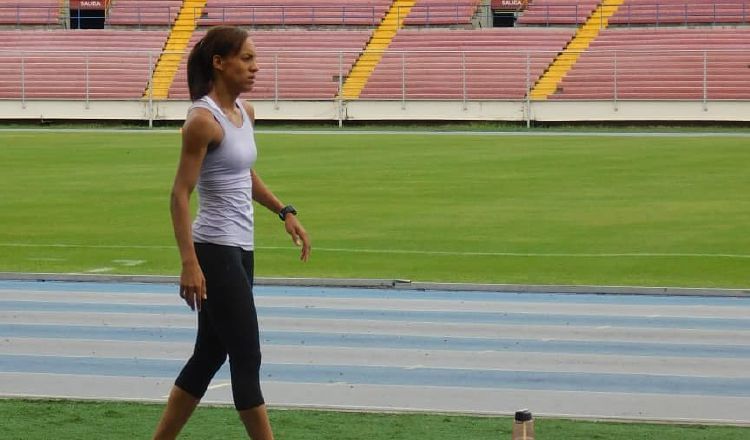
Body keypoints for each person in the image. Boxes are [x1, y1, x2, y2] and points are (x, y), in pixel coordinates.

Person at [153, 26, 311, 440]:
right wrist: (189, 263)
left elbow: (243, 174)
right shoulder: (202, 121)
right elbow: (179, 194)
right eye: (246, 58)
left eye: (254, 59)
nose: (255, 67)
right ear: (219, 63)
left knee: (208, 355)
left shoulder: (245, 113)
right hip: (214, 250)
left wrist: (284, 211)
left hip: (241, 250)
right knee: (247, 354)